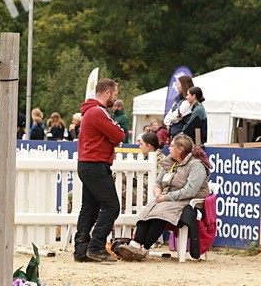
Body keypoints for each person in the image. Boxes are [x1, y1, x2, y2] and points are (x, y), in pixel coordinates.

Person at [111, 134, 210, 261]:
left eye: (172, 146)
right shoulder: (170, 162)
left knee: (161, 213)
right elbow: (158, 183)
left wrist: (166, 197)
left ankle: (144, 249)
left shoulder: (196, 166)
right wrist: (158, 195)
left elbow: (190, 191)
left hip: (188, 201)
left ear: (180, 149)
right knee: (148, 210)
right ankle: (134, 245)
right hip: (168, 199)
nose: (168, 148)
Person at [74, 78, 126, 263]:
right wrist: (113, 138)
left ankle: (81, 249)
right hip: (96, 164)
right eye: (115, 94)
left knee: (90, 208)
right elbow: (119, 135)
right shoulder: (98, 112)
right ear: (107, 93)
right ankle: (96, 246)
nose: (115, 98)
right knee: (112, 206)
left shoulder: (90, 112)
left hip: (87, 164)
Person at [159, 74, 194, 144]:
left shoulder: (187, 102)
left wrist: (172, 120)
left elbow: (173, 117)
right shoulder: (177, 101)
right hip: (175, 135)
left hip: (182, 137)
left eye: (178, 84)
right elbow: (166, 119)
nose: (176, 86)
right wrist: (172, 120)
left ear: (184, 85)